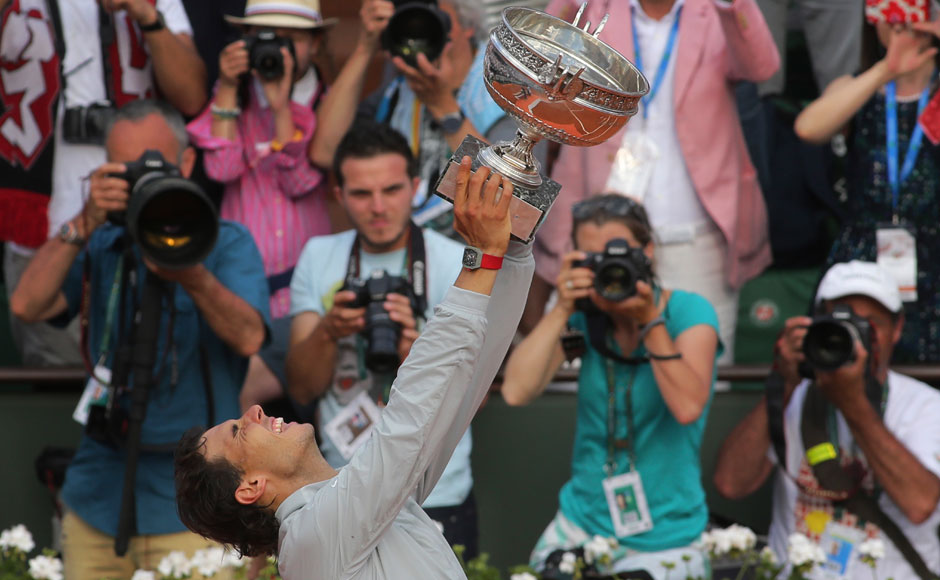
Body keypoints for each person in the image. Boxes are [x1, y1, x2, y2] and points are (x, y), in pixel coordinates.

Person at [174, 157, 533, 579]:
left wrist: (513, 248)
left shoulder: (361, 503)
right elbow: (409, 418)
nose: (253, 412)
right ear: (251, 487)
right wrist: (482, 256)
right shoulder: (310, 537)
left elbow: (460, 390)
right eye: (237, 430)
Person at [9, 99, 270, 580]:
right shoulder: (104, 241)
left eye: (156, 167)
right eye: (125, 171)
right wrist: (83, 222)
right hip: (99, 492)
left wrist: (190, 272)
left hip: (199, 497)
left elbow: (250, 336)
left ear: (187, 163)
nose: (142, 182)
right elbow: (28, 305)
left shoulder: (225, 241)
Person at [525, 0, 779, 358]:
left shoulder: (714, 10)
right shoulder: (597, 6)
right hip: (595, 232)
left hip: (694, 234)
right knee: (580, 371)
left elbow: (762, 66)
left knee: (701, 374)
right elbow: (540, 61)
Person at [500, 194, 722, 579]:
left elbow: (688, 407)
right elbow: (516, 391)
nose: (611, 271)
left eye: (619, 255)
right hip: (582, 523)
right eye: (594, 258)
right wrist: (563, 308)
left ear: (648, 251)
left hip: (666, 535)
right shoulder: (587, 315)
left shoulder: (689, 312)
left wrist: (649, 321)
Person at [284, 121, 480, 554]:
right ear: (339, 195)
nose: (377, 207)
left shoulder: (453, 262)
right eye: (360, 193)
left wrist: (420, 351)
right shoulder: (320, 256)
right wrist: (329, 332)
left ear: (414, 187)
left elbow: (476, 399)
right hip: (338, 482)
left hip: (435, 488)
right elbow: (301, 387)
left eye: (391, 190)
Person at [0, 0, 206, 367]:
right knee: (56, 380)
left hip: (139, 226)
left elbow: (190, 95)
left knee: (145, 367)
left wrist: (146, 15)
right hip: (44, 231)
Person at [714, 260, 940, 580]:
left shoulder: (925, 406)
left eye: (870, 324)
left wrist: (853, 404)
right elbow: (730, 484)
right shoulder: (793, 396)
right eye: (840, 324)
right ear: (814, 324)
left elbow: (920, 503)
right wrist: (784, 382)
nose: (856, 338)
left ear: (897, 329)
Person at [186, 0, 341, 411]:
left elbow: (298, 180)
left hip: (303, 297)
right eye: (264, 38)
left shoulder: (327, 102)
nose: (278, 50)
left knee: (305, 413)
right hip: (243, 296)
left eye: (291, 39)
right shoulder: (233, 101)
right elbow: (220, 168)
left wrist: (279, 108)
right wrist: (227, 84)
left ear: (317, 42)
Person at [308, 0, 542, 238]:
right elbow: (325, 153)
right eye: (410, 15)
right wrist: (365, 47)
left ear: (467, 25)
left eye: (433, 13)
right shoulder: (398, 89)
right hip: (409, 250)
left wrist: (444, 108)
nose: (419, 24)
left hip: (473, 255)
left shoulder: (510, 95)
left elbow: (521, 213)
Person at [793, 16, 940, 363]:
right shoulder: (855, 86)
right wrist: (885, 70)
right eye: (891, 10)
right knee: (849, 361)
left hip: (933, 253)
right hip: (862, 253)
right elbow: (809, 128)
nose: (906, 21)